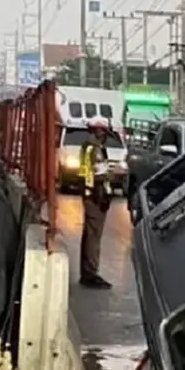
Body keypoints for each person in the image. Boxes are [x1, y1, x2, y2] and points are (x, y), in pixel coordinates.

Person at [79, 117, 113, 289]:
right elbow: (94, 175)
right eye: (104, 133)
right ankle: (90, 273)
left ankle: (88, 272)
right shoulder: (93, 148)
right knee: (93, 236)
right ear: (99, 131)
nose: (106, 136)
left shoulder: (92, 147)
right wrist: (100, 196)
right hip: (95, 197)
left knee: (91, 235)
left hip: (94, 195)